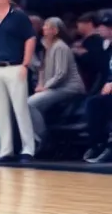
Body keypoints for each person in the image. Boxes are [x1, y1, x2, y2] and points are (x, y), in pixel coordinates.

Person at [0, 0, 36, 162]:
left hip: (15, 66)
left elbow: (30, 38)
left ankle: (28, 148)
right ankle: (6, 149)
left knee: (20, 108)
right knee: (0, 110)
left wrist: (25, 64)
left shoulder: (19, 16)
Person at [28, 17, 86, 152]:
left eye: (47, 27)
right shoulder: (47, 47)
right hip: (55, 87)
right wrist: (40, 85)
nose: (43, 29)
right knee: (31, 104)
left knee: (30, 103)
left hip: (70, 87)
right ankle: (40, 138)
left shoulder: (60, 46)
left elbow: (61, 74)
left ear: (55, 30)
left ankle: (43, 139)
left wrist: (45, 87)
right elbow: (43, 69)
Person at [82, 15, 112, 163]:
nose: (100, 29)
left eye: (105, 26)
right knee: (93, 103)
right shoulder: (107, 47)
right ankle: (98, 144)